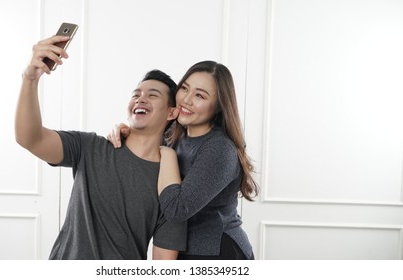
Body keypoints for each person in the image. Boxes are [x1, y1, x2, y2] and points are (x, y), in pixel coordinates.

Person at [14, 35, 186, 259]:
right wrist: (30, 79)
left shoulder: (170, 186)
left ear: (172, 112)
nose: (140, 99)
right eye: (136, 95)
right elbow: (30, 139)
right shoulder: (89, 147)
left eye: (152, 95)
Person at [109, 60, 259, 259]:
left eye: (199, 95)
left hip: (216, 252)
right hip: (178, 250)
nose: (186, 100)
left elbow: (176, 210)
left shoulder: (219, 149)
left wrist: (168, 154)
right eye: (184, 88)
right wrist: (127, 131)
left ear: (218, 106)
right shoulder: (173, 135)